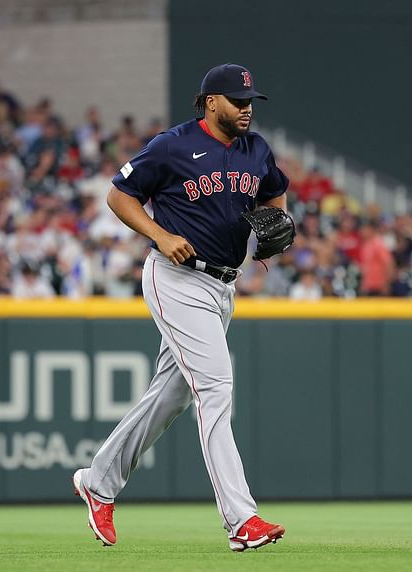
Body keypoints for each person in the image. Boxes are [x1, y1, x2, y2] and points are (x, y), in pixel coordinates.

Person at [72, 63, 287, 552]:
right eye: (237, 100)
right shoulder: (174, 144)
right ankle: (241, 519)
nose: (247, 108)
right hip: (176, 279)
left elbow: (275, 193)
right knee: (215, 386)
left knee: (170, 397)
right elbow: (118, 194)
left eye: (251, 100)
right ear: (211, 102)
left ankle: (98, 481)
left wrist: (273, 229)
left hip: (223, 287)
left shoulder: (257, 150)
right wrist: (160, 234)